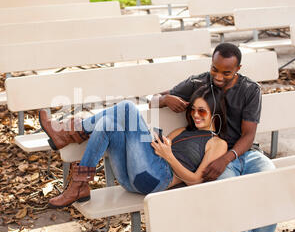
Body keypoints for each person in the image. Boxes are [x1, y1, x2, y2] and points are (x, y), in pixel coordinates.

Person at [150, 42, 277, 232]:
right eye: (214, 69)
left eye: (226, 72)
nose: (218, 76)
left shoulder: (250, 90)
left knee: (270, 186)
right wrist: (164, 99)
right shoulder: (198, 82)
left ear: (238, 68)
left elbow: (248, 136)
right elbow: (155, 98)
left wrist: (226, 158)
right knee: (231, 197)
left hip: (243, 154)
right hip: (212, 155)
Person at [38, 84, 227, 208]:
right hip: (130, 180)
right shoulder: (181, 131)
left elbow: (195, 180)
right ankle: (80, 185)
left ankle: (67, 134)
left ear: (215, 113)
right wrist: (153, 138)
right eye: (193, 110)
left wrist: (169, 156)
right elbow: (156, 151)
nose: (195, 115)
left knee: (127, 107)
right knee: (106, 126)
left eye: (202, 111)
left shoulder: (217, 144)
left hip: (157, 180)